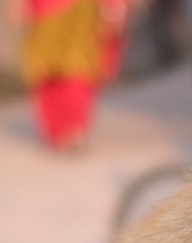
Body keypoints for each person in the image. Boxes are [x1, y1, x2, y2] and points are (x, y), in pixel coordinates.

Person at [12, 0, 132, 150]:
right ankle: (57, 129)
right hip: (43, 14)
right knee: (46, 73)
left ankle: (73, 127)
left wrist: (116, 8)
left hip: (81, 13)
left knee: (77, 70)